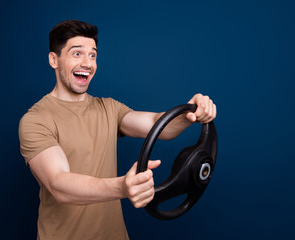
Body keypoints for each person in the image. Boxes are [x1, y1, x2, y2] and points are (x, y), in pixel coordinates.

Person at [19, 20, 217, 240]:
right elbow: (59, 184)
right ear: (53, 60)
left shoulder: (108, 108)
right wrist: (122, 187)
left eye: (92, 55)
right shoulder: (36, 120)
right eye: (77, 54)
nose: (87, 63)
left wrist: (191, 113)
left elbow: (158, 126)